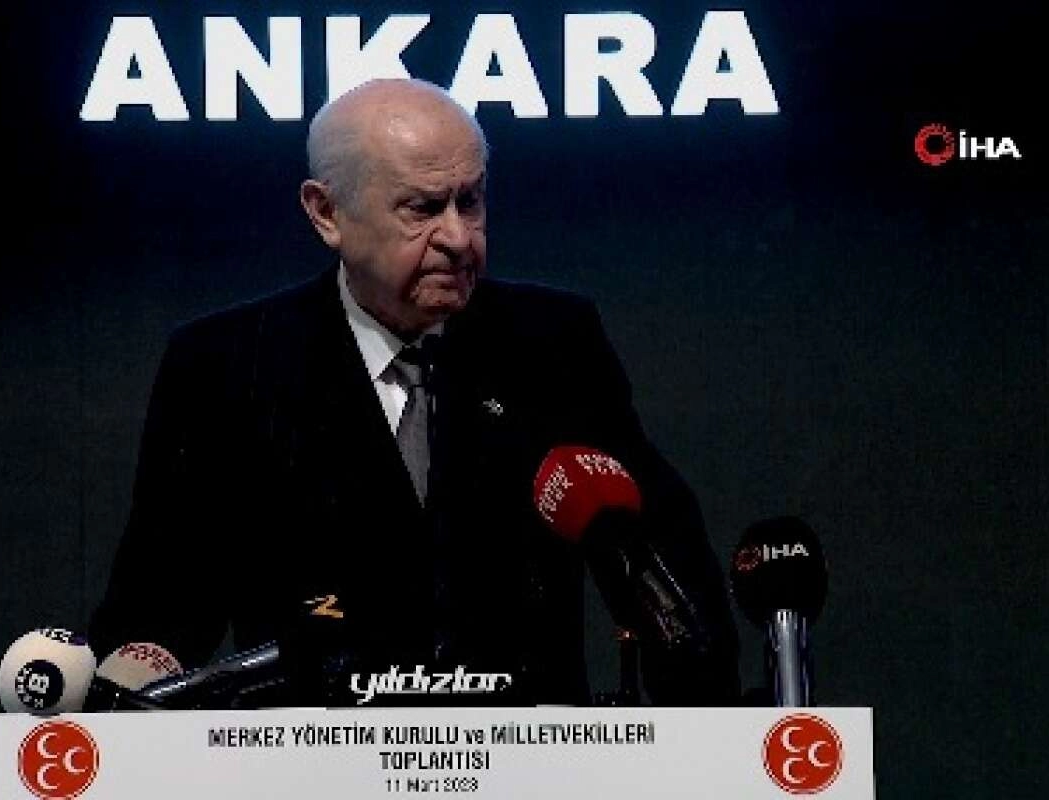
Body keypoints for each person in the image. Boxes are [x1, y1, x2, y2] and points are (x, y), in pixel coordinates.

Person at [88, 78, 738, 705]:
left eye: (471, 201)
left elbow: (665, 568)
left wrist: (707, 724)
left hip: (528, 756)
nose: (457, 237)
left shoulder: (552, 345)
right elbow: (159, 609)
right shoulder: (228, 365)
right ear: (326, 213)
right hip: (308, 758)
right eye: (422, 209)